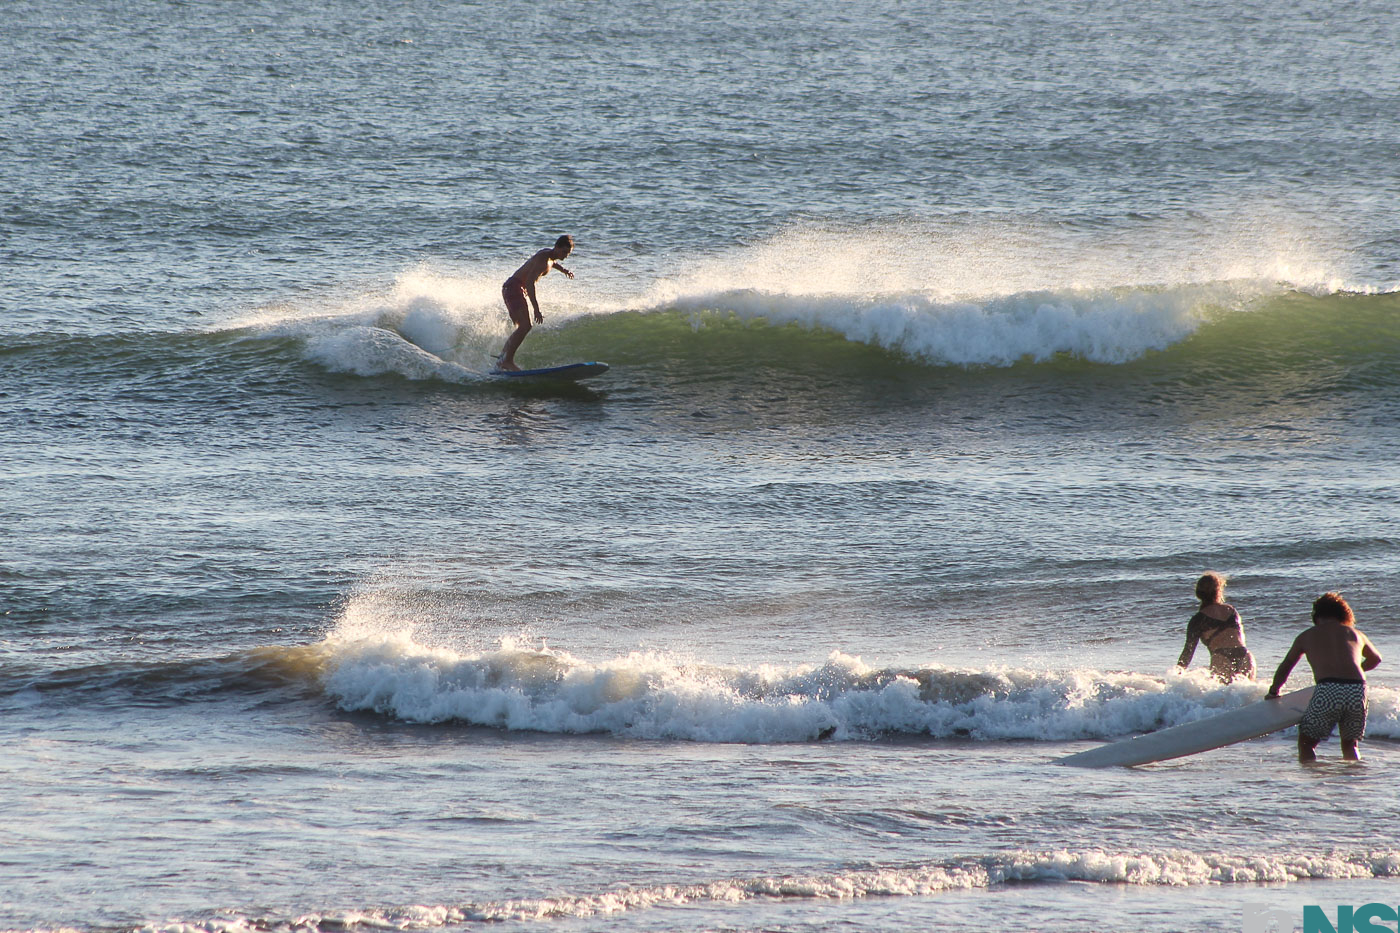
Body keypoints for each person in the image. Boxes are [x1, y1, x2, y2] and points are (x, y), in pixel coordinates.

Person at [1266, 592, 1382, 762]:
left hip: (1329, 688)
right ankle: (1354, 780)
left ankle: (1313, 781)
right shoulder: (1356, 634)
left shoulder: (1307, 635)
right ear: (1343, 614)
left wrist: (1274, 691)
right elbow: (1376, 659)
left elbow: (1287, 665)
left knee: (1307, 744)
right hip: (1358, 688)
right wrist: (1358, 669)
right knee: (1350, 744)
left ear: (1317, 615)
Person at [495, 235, 575, 372]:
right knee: (525, 325)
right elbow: (529, 283)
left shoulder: (548, 255)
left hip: (511, 288)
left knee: (521, 326)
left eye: (568, 253)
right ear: (557, 247)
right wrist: (536, 309)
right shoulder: (543, 261)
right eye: (564, 252)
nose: (566, 256)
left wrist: (564, 270)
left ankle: (502, 359)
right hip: (515, 288)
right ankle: (506, 361)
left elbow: (552, 263)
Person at [1177, 572, 1256, 682]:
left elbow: (1188, 652)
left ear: (1198, 593)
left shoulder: (1197, 619)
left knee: (1222, 697)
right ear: (1219, 591)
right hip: (1245, 656)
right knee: (1246, 695)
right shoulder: (1231, 610)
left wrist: (1175, 676)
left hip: (1222, 657)